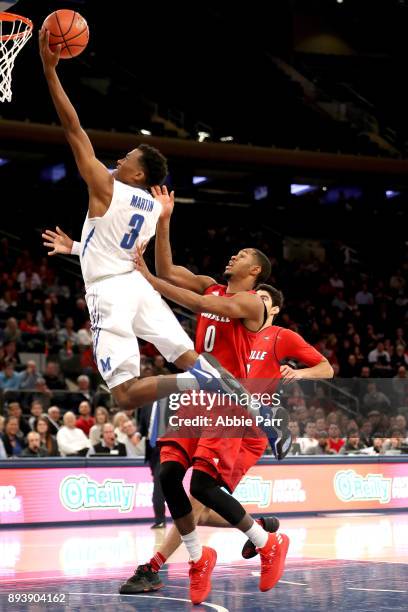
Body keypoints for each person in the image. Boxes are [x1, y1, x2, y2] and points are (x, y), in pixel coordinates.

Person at [39, 30, 243, 415]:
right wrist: (78, 247)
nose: (121, 158)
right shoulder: (152, 208)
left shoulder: (105, 187)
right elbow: (122, 251)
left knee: (125, 395)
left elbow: (73, 128)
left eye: (129, 158)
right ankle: (243, 401)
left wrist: (51, 71)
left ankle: (199, 380)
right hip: (138, 285)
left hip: (110, 292)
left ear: (137, 175)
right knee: (187, 355)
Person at [122, 194, 288, 603]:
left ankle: (267, 544)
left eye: (243, 254)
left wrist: (146, 279)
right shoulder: (213, 285)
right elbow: (169, 270)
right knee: (166, 477)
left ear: (255, 271)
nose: (233, 255)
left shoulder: (249, 302)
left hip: (227, 403)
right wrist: (165, 219)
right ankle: (199, 558)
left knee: (205, 486)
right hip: (197, 395)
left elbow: (195, 302)